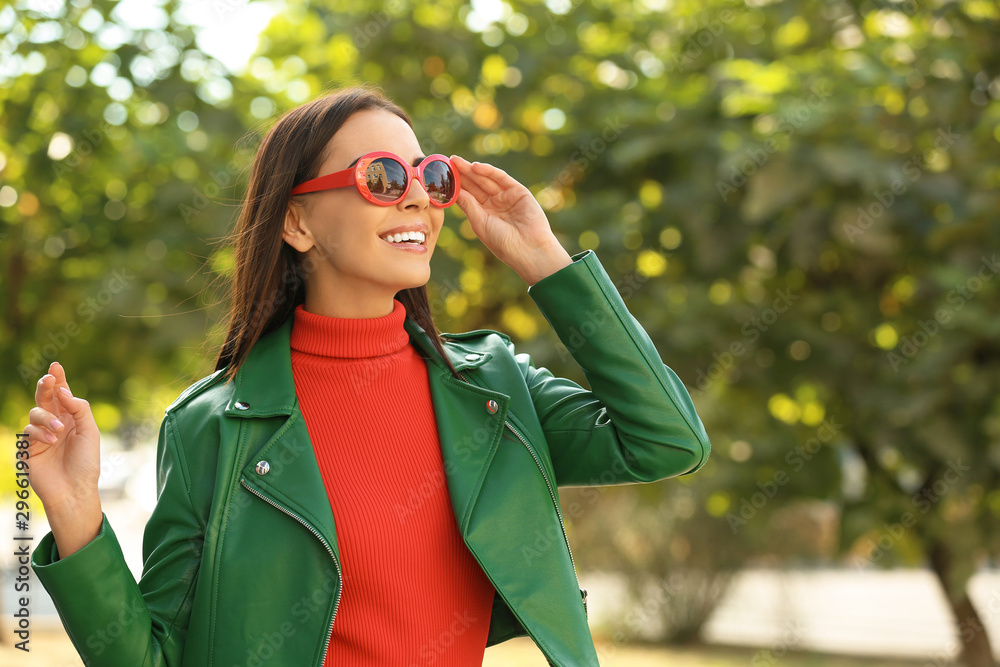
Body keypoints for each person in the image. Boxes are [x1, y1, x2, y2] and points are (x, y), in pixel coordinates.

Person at [24, 84, 711, 667]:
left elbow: (668, 439)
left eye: (430, 177)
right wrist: (78, 513)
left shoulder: (495, 388)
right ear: (296, 221)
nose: (418, 200)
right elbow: (154, 657)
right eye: (383, 177)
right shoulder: (209, 425)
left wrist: (546, 262)